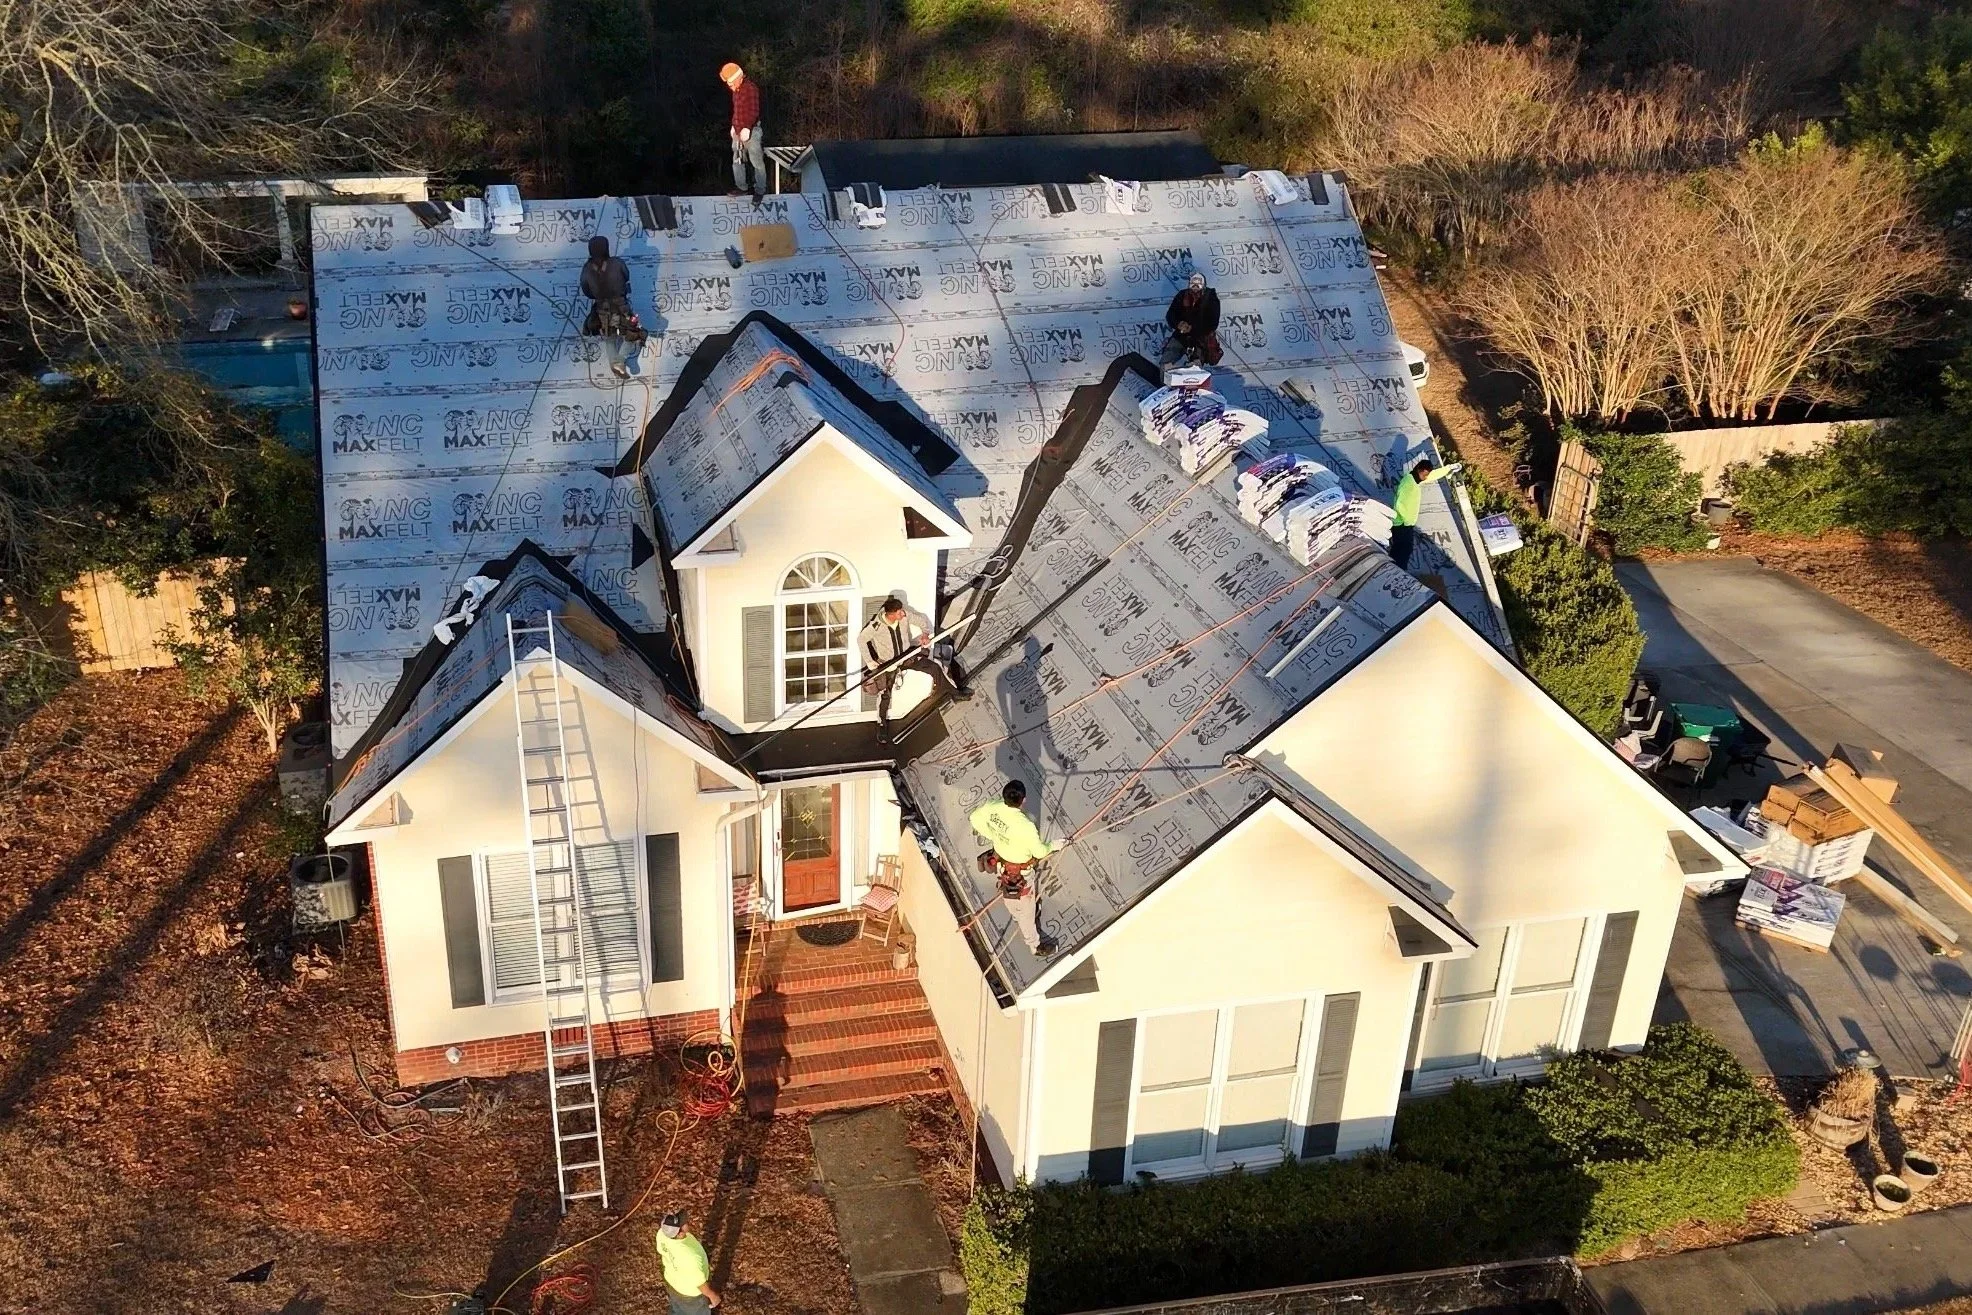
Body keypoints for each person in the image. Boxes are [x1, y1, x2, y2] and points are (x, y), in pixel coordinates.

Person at [859, 597, 970, 742]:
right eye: (899, 612)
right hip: (888, 664)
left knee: (934, 667)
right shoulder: (876, 626)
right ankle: (881, 725)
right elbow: (861, 640)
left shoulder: (904, 616)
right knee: (885, 694)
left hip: (906, 657)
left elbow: (922, 622)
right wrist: (870, 661)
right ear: (890, 614)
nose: (903, 614)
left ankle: (953, 692)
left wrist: (925, 634)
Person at [968, 780, 1060, 957]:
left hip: (1004, 865)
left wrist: (993, 835)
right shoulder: (1025, 826)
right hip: (1020, 874)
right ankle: (1035, 946)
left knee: (1017, 903)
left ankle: (1024, 912)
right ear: (1023, 800)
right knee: (1025, 912)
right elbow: (1039, 852)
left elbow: (974, 818)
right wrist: (1054, 845)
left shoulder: (993, 806)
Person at [579, 234, 635, 380]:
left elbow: (586, 291)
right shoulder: (617, 263)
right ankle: (619, 360)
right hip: (621, 308)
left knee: (610, 338)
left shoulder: (586, 269)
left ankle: (616, 365)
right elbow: (626, 276)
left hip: (602, 310)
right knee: (634, 333)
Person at [1388, 457, 1460, 571]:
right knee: (1403, 551)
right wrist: (1406, 521)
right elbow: (1399, 503)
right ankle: (1398, 573)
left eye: (1427, 475)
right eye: (1424, 474)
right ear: (1418, 470)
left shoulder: (1416, 478)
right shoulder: (1408, 483)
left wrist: (1448, 469)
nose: (1425, 477)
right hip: (1401, 524)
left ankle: (1392, 570)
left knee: (1400, 550)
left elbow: (1432, 475)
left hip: (1405, 524)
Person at [655, 1210, 721, 1315]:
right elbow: (699, 1283)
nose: (687, 1222)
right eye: (684, 1223)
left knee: (676, 1308)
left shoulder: (662, 1234)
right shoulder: (690, 1257)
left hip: (672, 1283)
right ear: (680, 1233)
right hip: (690, 1296)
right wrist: (712, 1296)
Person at [721, 62, 766, 203]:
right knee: (737, 160)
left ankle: (760, 190)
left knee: (756, 161)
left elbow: (753, 111)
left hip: (751, 130)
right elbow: (737, 112)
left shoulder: (750, 89)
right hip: (738, 131)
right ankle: (742, 187)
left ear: (738, 78)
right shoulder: (736, 92)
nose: (730, 87)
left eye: (731, 83)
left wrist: (747, 127)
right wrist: (734, 126)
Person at [1161, 272, 1222, 367]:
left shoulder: (1211, 298)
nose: (1195, 286)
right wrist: (1178, 324)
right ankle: (1164, 381)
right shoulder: (1182, 295)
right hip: (1180, 336)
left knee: (1194, 367)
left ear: (1204, 285)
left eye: (1199, 284)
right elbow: (1171, 314)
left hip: (1200, 338)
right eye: (1193, 283)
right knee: (1165, 363)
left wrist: (1192, 328)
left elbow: (1212, 323)